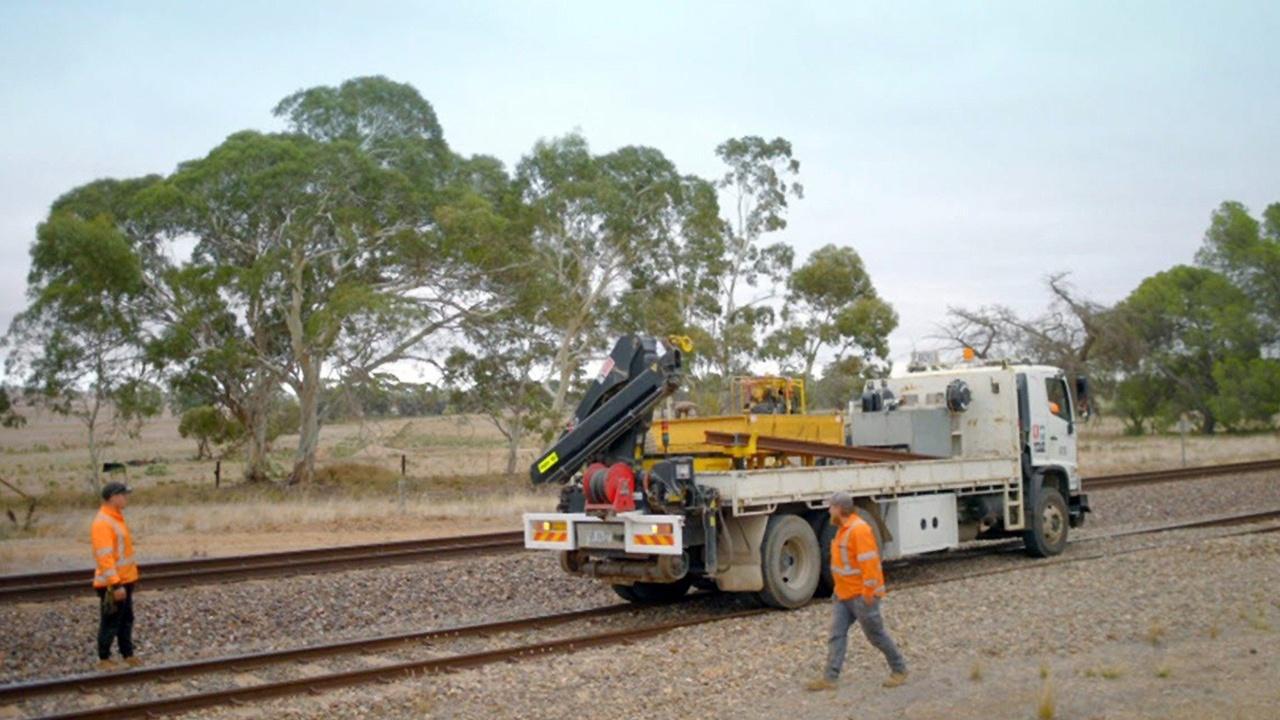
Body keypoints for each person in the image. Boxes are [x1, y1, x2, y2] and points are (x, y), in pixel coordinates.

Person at [807, 491, 907, 691]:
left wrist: (869, 591)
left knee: (876, 635)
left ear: (839, 509)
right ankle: (830, 678)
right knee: (836, 634)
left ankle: (899, 669)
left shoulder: (858, 530)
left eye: (831, 507)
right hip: (844, 595)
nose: (828, 511)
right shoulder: (843, 529)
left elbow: (869, 562)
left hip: (862, 595)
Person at [92, 481, 139, 671]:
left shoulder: (116, 518)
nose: (126, 498)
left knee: (126, 619)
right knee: (111, 621)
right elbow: (105, 557)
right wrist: (115, 584)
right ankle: (104, 658)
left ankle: (127, 654)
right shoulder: (103, 522)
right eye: (123, 495)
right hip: (113, 584)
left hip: (125, 580)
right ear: (113, 497)